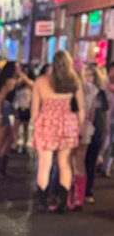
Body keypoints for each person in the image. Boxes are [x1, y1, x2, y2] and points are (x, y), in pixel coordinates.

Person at [31, 50, 83, 213]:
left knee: (44, 164)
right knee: (65, 164)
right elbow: (81, 107)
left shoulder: (41, 81)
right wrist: (78, 125)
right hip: (67, 123)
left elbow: (35, 110)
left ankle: (42, 201)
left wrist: (38, 123)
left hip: (47, 122)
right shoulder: (74, 81)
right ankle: (62, 202)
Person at [75, 64, 105, 208]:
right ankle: (79, 193)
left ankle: (86, 192)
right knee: (80, 161)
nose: (88, 78)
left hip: (93, 128)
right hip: (86, 127)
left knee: (88, 161)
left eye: (90, 75)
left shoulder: (99, 93)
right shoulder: (84, 90)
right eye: (85, 75)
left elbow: (102, 114)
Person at [0, 65, 19, 178]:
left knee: (9, 139)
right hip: (2, 111)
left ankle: (2, 168)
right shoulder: (8, 82)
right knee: (1, 141)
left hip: (4, 110)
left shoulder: (5, 81)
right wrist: (0, 116)